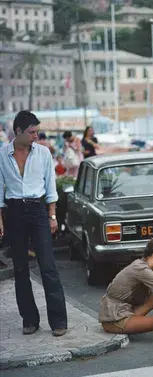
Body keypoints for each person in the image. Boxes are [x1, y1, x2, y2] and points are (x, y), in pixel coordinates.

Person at [0, 110, 67, 337]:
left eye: (37, 131)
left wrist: (52, 216)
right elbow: (0, 192)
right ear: (18, 131)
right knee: (20, 268)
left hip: (38, 211)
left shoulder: (43, 154)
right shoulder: (2, 154)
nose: (36, 136)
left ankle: (58, 321)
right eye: (32, 132)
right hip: (14, 212)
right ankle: (29, 320)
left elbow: (51, 188)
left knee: (48, 265)